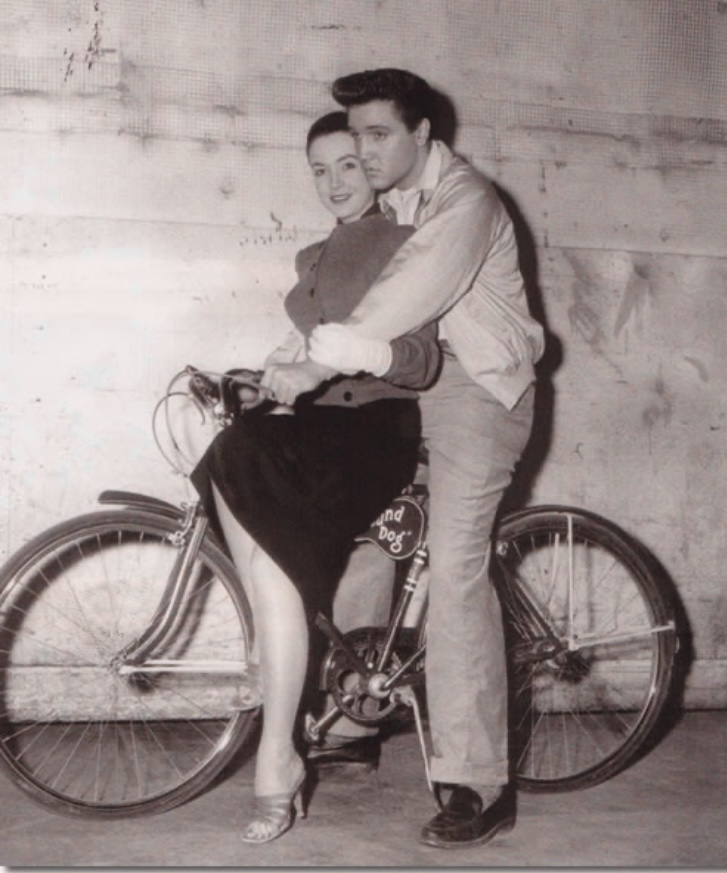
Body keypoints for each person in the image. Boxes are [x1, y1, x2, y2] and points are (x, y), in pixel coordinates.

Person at [308, 69, 545, 849]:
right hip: (410, 387)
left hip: (479, 391)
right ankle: (355, 716)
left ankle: (478, 782)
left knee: (452, 567)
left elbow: (403, 293)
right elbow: (344, 298)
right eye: (356, 136)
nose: (364, 151)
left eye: (379, 135)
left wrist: (319, 357)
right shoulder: (390, 206)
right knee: (366, 540)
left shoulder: (464, 199)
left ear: (421, 135)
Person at [190, 110, 440, 844]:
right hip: (320, 429)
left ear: (377, 166)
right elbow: (303, 349)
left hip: (374, 432)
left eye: (348, 165)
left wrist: (318, 370)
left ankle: (277, 735)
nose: (334, 182)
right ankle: (279, 730)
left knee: (240, 458)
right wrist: (266, 375)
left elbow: (417, 358)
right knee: (231, 454)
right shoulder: (315, 256)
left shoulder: (405, 244)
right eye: (319, 170)